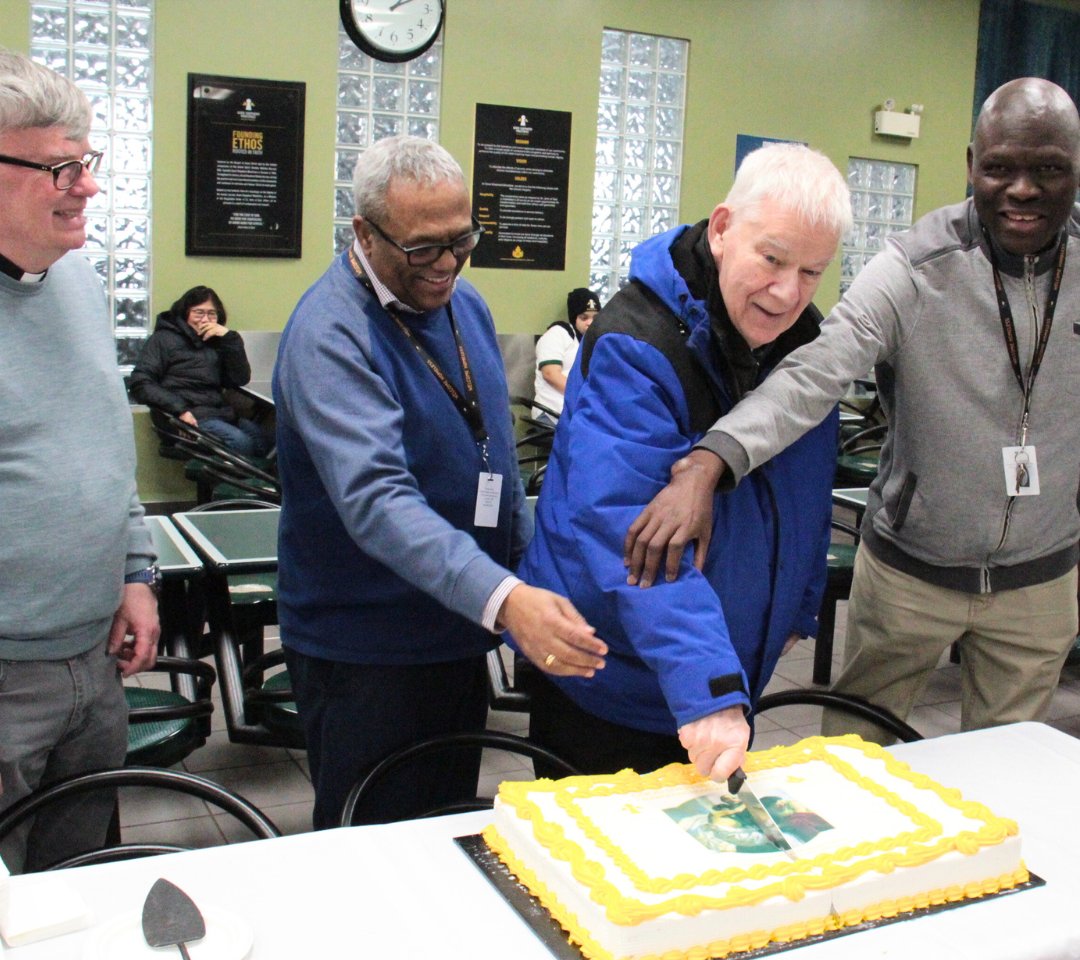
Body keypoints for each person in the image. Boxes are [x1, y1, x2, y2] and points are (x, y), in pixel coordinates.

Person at [623, 77, 1080, 742]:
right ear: (971, 165)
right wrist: (712, 457)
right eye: (1000, 167)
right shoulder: (916, 266)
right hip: (910, 572)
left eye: (1049, 169)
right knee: (856, 758)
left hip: (1041, 579)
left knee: (1007, 768)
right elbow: (814, 371)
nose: (1022, 190)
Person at [273, 135, 607, 828]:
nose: (447, 263)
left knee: (444, 825)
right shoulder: (330, 333)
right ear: (363, 232)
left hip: (457, 628)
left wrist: (528, 577)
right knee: (370, 846)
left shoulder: (468, 305)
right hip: (365, 651)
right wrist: (507, 598)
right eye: (424, 247)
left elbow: (498, 464)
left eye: (463, 240)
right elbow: (378, 502)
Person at [515, 143, 852, 782]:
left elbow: (809, 495)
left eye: (812, 272)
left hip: (716, 679)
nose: (787, 294)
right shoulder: (636, 341)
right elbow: (627, 532)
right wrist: (710, 686)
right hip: (612, 678)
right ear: (723, 230)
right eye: (772, 259)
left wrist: (798, 606)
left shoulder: (807, 347)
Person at [0, 49, 159, 871]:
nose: (87, 186)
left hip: (94, 661)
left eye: (86, 162)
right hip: (7, 677)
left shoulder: (73, 280)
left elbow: (106, 455)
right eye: (62, 167)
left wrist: (135, 572)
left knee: (76, 886)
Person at [130, 285, 272, 459]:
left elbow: (239, 379)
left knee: (266, 441)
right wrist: (179, 410)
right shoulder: (163, 339)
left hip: (218, 414)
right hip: (183, 417)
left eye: (212, 314)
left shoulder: (216, 342)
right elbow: (140, 383)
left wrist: (230, 340)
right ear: (185, 313)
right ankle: (232, 486)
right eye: (199, 313)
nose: (205, 319)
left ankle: (255, 485)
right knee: (241, 444)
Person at [531, 287, 601, 424]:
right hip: (552, 414)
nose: (590, 322)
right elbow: (550, 374)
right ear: (574, 317)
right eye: (584, 317)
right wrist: (585, 394)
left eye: (595, 317)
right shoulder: (558, 334)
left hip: (577, 415)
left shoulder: (593, 342)